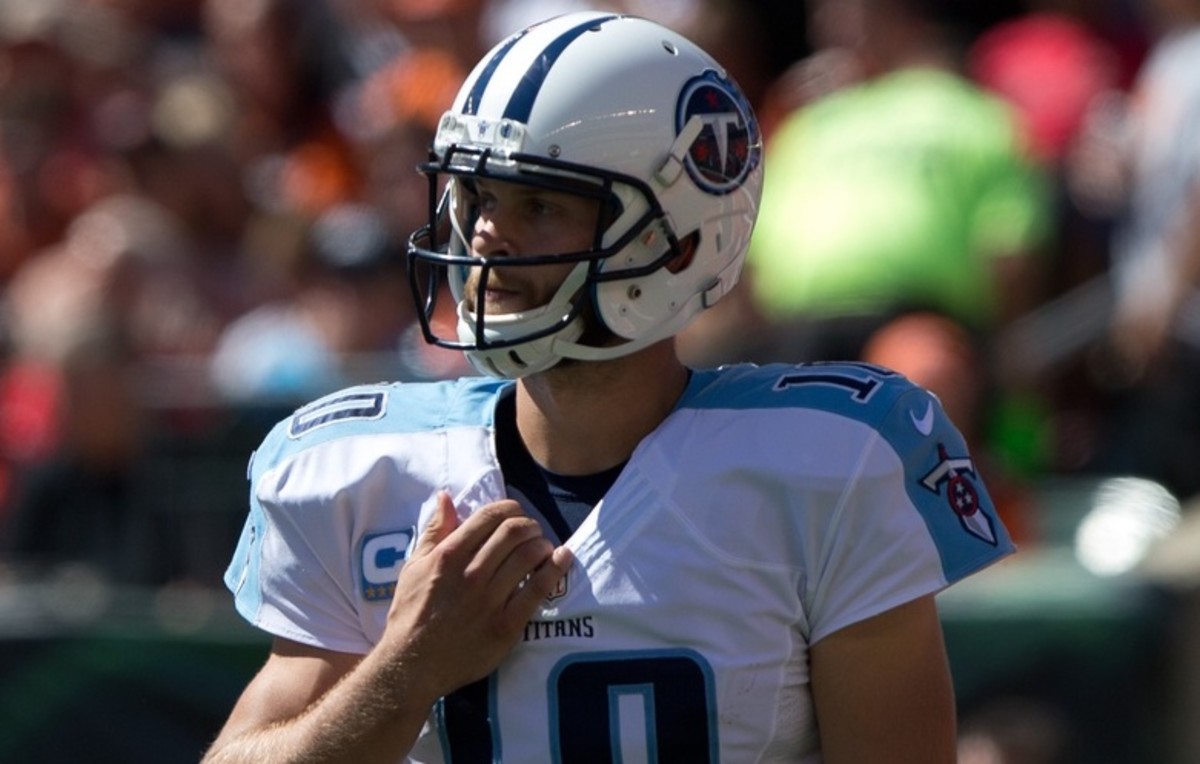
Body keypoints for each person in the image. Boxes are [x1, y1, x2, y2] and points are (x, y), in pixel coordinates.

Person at [204, 12, 1013, 763]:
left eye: (541, 204)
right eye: (478, 196)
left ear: (674, 245)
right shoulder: (357, 472)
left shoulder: (832, 467)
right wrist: (406, 669)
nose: (487, 234)